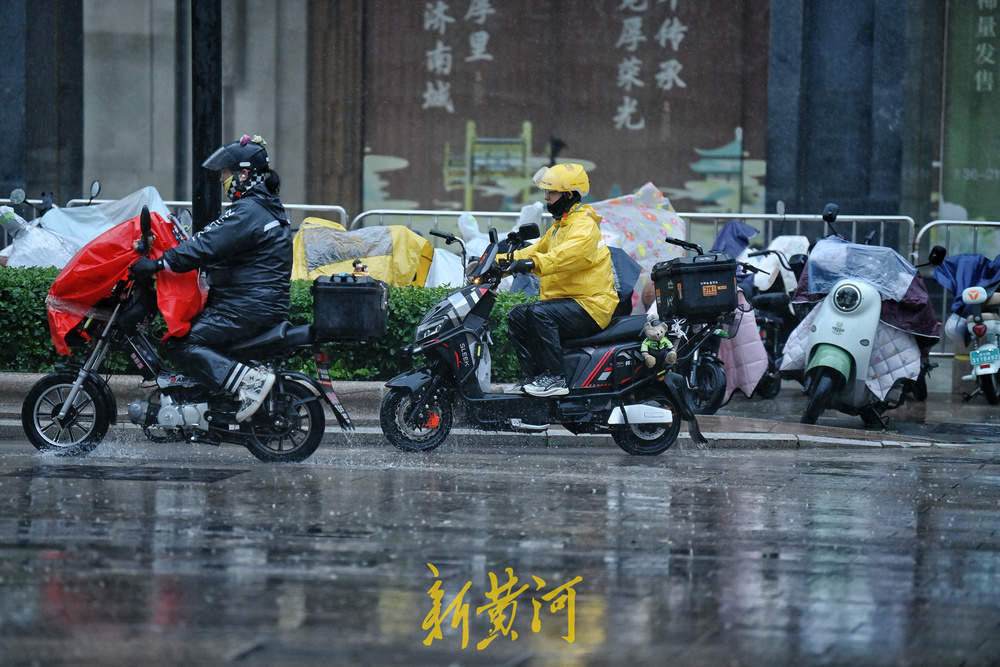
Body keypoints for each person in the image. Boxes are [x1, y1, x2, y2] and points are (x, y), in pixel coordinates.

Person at [129, 134, 292, 422]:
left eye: (226, 173)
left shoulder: (249, 211)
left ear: (244, 174)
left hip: (247, 306)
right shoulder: (259, 208)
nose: (222, 180)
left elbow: (207, 244)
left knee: (182, 342)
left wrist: (160, 263)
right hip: (252, 302)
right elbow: (212, 245)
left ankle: (249, 385)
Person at [505, 163, 618, 397]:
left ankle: (555, 378)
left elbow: (566, 256)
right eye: (545, 193)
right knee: (517, 315)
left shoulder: (583, 226)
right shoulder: (560, 225)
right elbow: (535, 249)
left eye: (551, 193)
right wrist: (501, 262)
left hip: (591, 305)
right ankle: (535, 378)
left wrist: (535, 263)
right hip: (569, 301)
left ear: (568, 195)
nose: (547, 199)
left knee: (538, 313)